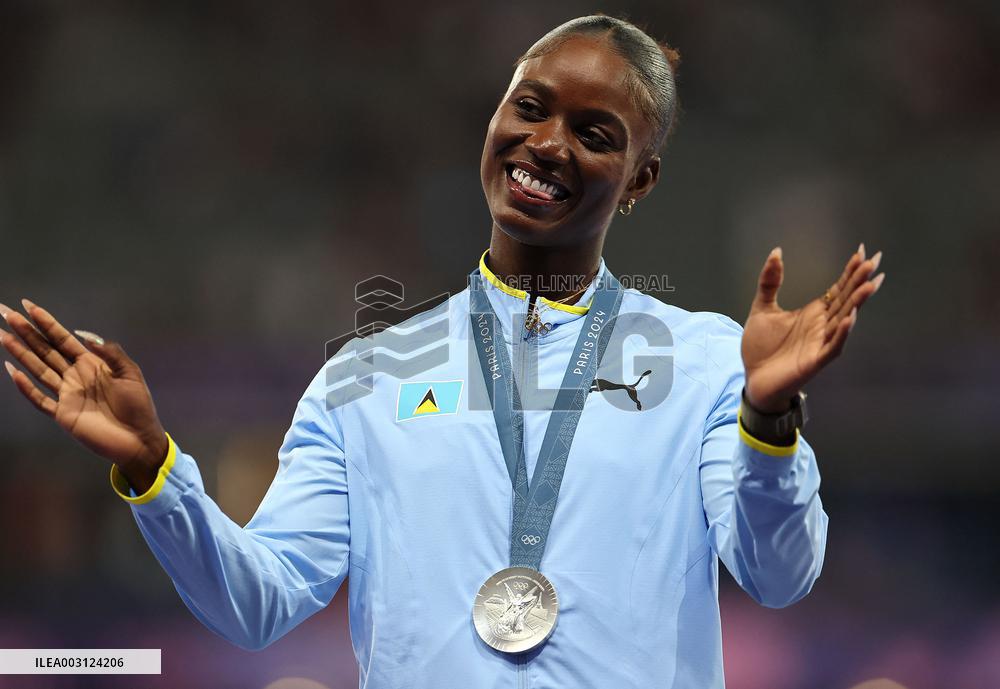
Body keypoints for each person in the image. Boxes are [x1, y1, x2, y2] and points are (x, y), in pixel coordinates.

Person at [0, 15, 885, 689]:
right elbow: (257, 602)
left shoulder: (705, 365)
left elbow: (779, 576)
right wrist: (156, 470)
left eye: (594, 133)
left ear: (640, 180)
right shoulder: (364, 377)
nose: (547, 143)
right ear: (494, 119)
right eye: (529, 107)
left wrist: (769, 417)